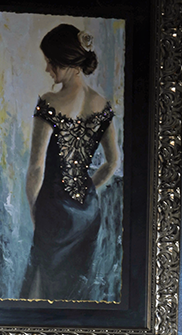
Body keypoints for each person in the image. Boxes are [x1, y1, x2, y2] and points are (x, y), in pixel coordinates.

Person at [20, 23, 120, 302]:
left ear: (67, 62)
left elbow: (37, 167)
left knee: (42, 288)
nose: (48, 70)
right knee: (75, 290)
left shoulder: (49, 102)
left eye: (51, 63)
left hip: (53, 211)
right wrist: (88, 191)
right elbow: (113, 163)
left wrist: (34, 209)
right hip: (88, 213)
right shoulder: (102, 105)